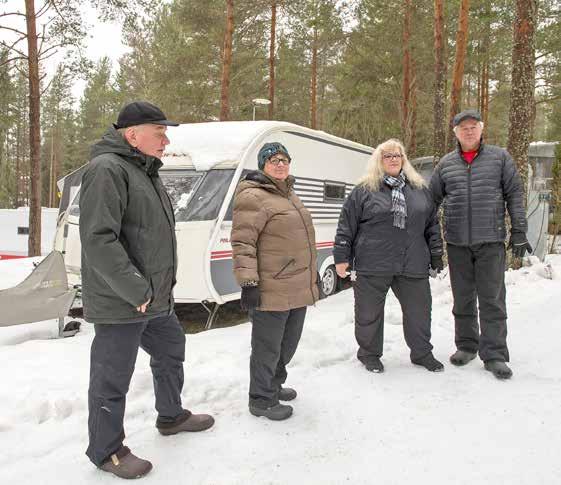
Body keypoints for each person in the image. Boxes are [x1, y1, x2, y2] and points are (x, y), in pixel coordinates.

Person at [80, 101, 214, 479]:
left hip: (153, 299)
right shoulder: (107, 169)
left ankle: (171, 416)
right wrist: (136, 288)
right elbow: (98, 239)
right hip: (123, 299)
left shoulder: (145, 171)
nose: (166, 140)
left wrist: (157, 290)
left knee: (171, 350)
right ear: (133, 134)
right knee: (112, 376)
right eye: (160, 132)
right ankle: (106, 451)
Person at [429, 109, 531, 380]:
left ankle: (495, 353)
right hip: (458, 243)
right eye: (463, 128)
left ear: (481, 129)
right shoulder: (446, 165)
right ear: (456, 133)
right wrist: (429, 241)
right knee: (462, 299)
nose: (469, 131)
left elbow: (515, 195)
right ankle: (466, 345)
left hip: (491, 242)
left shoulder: (500, 158)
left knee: (492, 300)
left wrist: (519, 230)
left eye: (473, 126)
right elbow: (430, 203)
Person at [334, 139, 444, 374]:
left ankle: (422, 353)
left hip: (412, 262)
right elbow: (346, 226)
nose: (394, 159)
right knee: (368, 313)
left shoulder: (420, 190)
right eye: (388, 156)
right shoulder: (364, 190)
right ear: (379, 161)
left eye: (398, 155)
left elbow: (432, 225)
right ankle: (369, 355)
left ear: (404, 159)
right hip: (373, 263)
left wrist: (436, 252)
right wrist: (342, 257)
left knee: (419, 312)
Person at [231, 142, 319, 421]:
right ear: (262, 165)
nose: (280, 164)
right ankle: (261, 399)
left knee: (287, 343)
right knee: (267, 347)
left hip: (296, 285)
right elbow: (243, 242)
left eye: (284, 159)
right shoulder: (253, 196)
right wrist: (249, 284)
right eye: (273, 160)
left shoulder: (289, 194)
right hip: (271, 286)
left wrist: (311, 272)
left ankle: (275, 384)